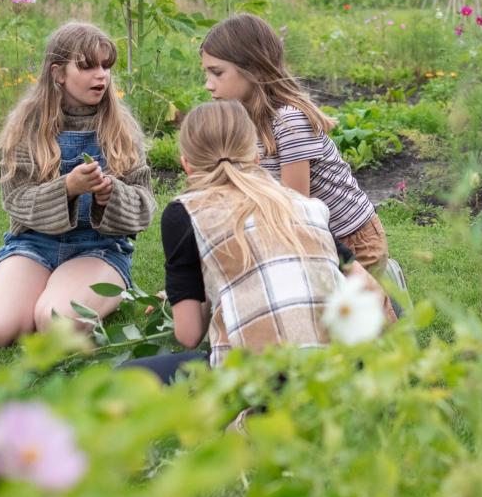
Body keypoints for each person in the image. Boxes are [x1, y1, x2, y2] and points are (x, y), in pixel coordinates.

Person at [121, 100, 386, 384]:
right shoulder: (300, 204)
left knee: (126, 378)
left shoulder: (184, 212)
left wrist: (184, 292)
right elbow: (371, 289)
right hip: (336, 370)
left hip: (257, 382)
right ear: (256, 157)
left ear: (186, 164)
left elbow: (189, 335)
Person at [0, 22, 155, 348]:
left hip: (99, 249)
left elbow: (144, 208)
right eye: (87, 66)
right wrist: (67, 188)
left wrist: (109, 195)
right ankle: (52, 291)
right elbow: (16, 200)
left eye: (105, 66)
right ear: (58, 73)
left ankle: (94, 291)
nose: (101, 76)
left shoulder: (121, 130)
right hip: (33, 245)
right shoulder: (28, 127)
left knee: (55, 324)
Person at [199, 14, 393, 275]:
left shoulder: (290, 122)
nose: (208, 85)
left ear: (253, 69)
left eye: (217, 73)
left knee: (341, 313)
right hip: (307, 234)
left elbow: (296, 208)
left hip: (351, 243)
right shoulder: (241, 118)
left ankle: (390, 293)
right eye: (207, 73)